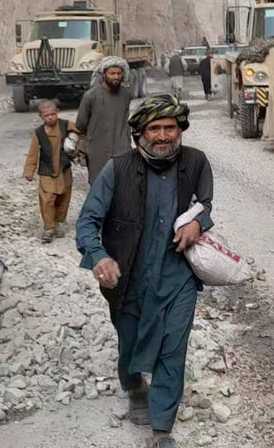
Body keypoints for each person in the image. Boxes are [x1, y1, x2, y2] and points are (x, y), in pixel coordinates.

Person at [75, 94, 213, 448]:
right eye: (155, 128)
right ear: (140, 133)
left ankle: (161, 430)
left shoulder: (196, 162)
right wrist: (99, 256)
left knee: (173, 348)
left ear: (180, 130)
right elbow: (87, 222)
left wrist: (198, 223)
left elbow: (205, 205)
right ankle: (134, 385)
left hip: (177, 275)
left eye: (170, 127)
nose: (163, 136)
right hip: (129, 277)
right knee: (130, 343)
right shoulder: (118, 168)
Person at [22, 100, 78, 242]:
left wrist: (73, 140)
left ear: (57, 112)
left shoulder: (66, 125)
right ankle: (49, 227)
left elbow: (81, 132)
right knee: (47, 199)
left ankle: (57, 223)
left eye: (53, 114)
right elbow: (33, 153)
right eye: (46, 115)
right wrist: (29, 171)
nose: (50, 117)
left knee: (64, 197)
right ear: (41, 116)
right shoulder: (39, 133)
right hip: (47, 171)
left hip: (64, 170)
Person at [76, 56, 134, 185]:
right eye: (112, 73)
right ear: (103, 74)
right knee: (99, 186)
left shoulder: (126, 95)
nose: (116, 77)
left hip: (122, 149)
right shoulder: (91, 96)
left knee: (123, 185)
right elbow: (81, 124)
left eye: (119, 73)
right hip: (97, 151)